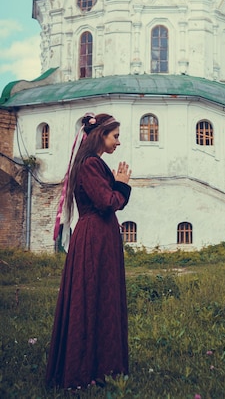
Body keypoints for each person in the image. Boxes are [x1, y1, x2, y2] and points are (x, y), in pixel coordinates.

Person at [46, 112, 132, 389]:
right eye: (115, 136)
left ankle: (102, 366)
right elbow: (108, 202)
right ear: (100, 136)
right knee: (93, 298)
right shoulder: (90, 164)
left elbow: (110, 202)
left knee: (102, 297)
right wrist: (122, 185)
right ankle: (85, 370)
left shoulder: (93, 163)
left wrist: (119, 187)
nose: (118, 142)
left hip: (100, 235)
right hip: (94, 237)